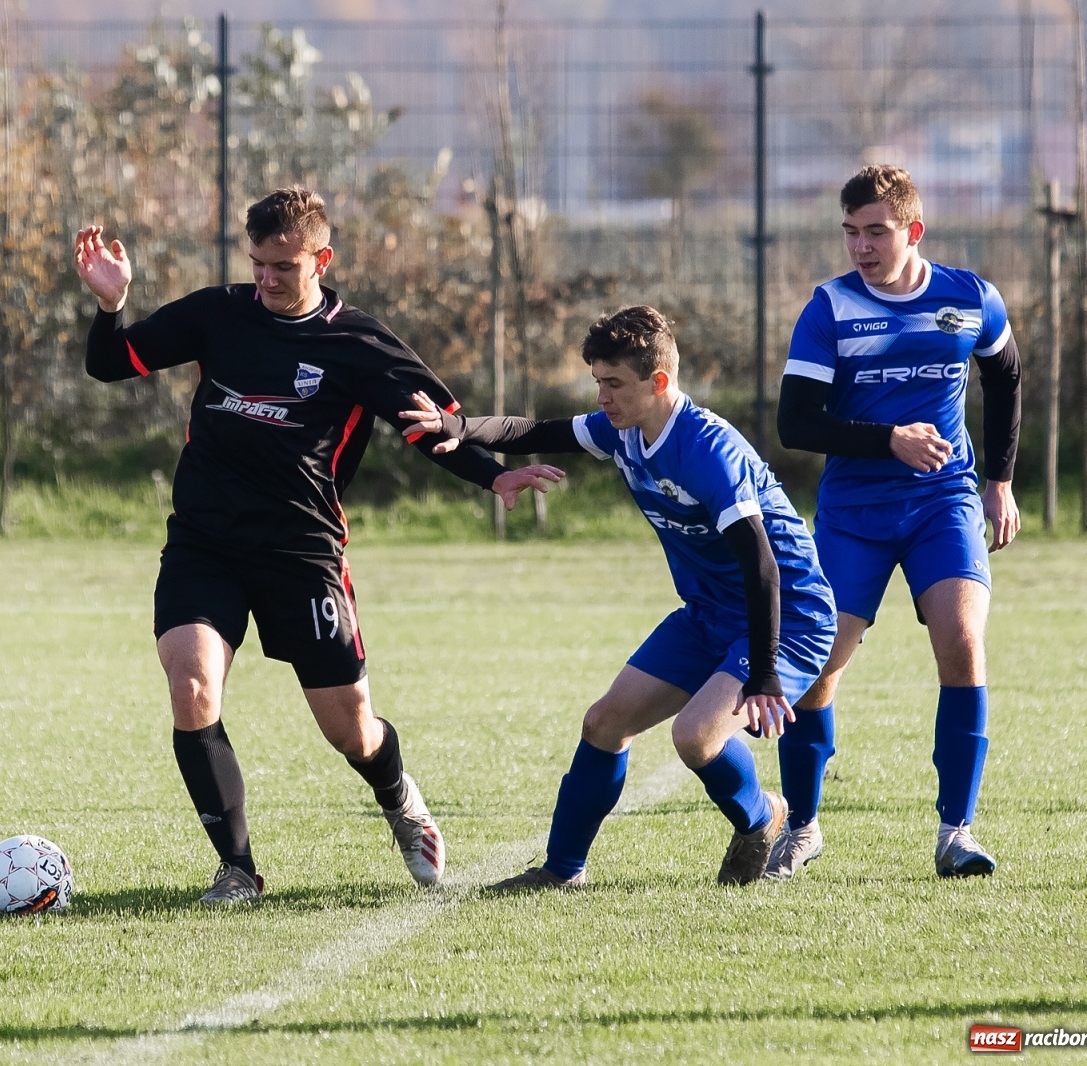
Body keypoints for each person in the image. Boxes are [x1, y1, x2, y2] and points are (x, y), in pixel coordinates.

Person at [74, 187, 560, 904]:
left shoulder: (356, 342)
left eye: (283, 265)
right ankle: (237, 868)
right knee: (192, 684)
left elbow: (431, 423)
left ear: (320, 259)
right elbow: (111, 364)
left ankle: (398, 798)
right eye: (257, 263)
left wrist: (492, 476)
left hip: (303, 553)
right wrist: (111, 305)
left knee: (350, 729)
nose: (266, 278)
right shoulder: (217, 314)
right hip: (204, 542)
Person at [402, 305, 837, 888]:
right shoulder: (623, 430)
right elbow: (536, 432)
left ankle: (764, 816)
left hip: (789, 617)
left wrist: (763, 675)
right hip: (710, 613)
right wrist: (457, 429)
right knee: (605, 723)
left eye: (614, 384)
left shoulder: (709, 450)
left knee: (695, 736)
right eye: (597, 382)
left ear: (658, 382)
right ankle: (561, 872)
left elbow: (763, 566)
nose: (601, 397)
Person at [773, 165, 1022, 880]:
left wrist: (998, 483)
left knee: (963, 644)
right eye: (850, 233)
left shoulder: (969, 298)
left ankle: (956, 833)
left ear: (912, 231)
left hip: (943, 500)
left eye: (875, 232)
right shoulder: (830, 308)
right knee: (819, 669)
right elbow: (796, 422)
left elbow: (1005, 376)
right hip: (855, 511)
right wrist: (888, 439)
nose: (861, 247)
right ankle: (804, 826)